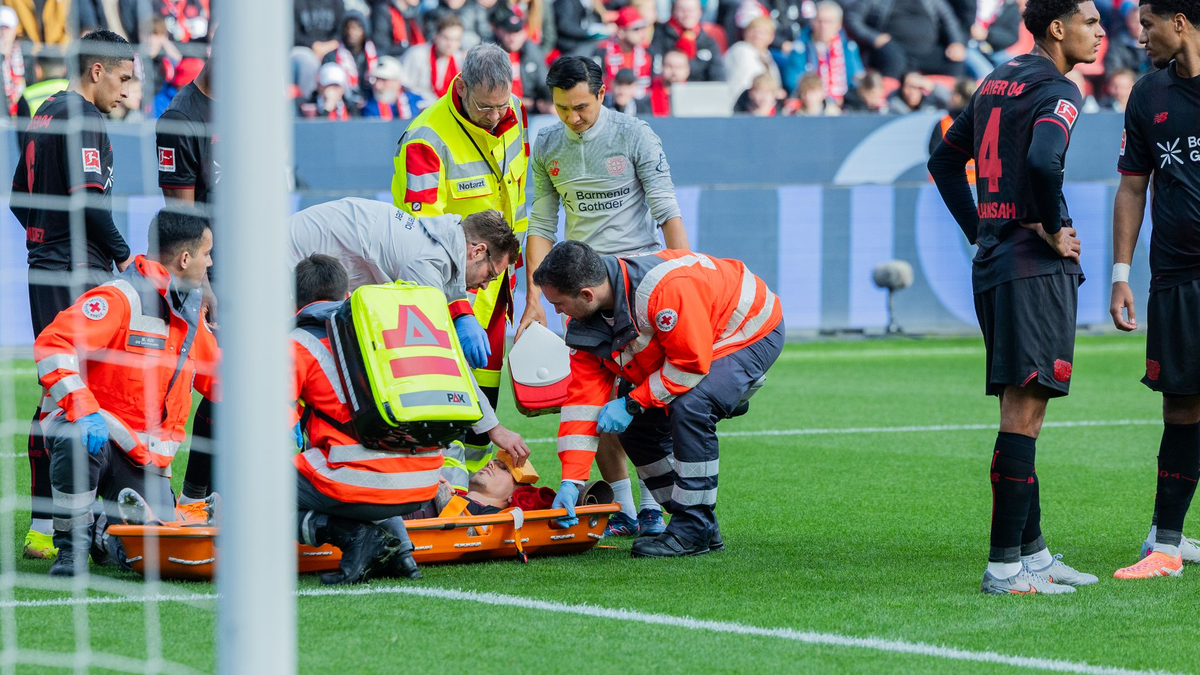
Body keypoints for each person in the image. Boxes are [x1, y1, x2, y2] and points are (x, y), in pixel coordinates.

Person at [927, 0, 1105, 594]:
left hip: (996, 264)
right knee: (1022, 415)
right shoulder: (1059, 90)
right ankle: (1005, 565)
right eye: (1090, 22)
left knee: (1023, 407)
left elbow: (943, 161)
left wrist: (981, 228)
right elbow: (1042, 158)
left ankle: (1033, 553)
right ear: (1058, 28)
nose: (1101, 32)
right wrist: (1050, 223)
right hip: (1033, 271)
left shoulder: (995, 80)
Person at [523, 56, 688, 536]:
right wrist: (535, 298)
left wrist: (685, 274)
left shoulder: (635, 135)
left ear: (601, 93)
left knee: (644, 403)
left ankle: (657, 505)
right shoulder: (548, 144)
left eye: (580, 107)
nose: (572, 117)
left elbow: (666, 209)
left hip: (638, 286)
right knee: (592, 402)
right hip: (581, 293)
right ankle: (626, 510)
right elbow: (540, 224)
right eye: (561, 108)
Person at [534, 241, 783, 557]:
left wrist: (632, 402)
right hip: (691, 342)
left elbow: (689, 365)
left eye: (559, 303)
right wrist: (572, 480)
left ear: (587, 295)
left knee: (691, 404)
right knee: (635, 427)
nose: (557, 312)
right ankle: (698, 525)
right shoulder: (583, 316)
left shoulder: (662, 292)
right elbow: (582, 402)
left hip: (747, 328)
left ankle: (692, 529)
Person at [288, 199, 530, 488]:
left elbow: (450, 280)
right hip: (284, 273)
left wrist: (462, 312)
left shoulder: (441, 238)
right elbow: (444, 361)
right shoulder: (423, 263)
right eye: (490, 274)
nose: (485, 285)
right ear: (477, 250)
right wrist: (494, 428)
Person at [34, 208, 219, 576]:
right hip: (92, 433)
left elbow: (221, 377)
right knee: (75, 437)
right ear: (185, 259)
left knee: (157, 548)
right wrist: (83, 408)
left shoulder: (189, 312)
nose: (210, 262)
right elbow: (53, 344)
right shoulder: (119, 298)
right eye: (206, 254)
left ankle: (103, 530)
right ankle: (73, 549)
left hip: (143, 457)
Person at [13, 30, 135, 561]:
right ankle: (77, 527)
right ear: (96, 71)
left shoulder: (45, 113)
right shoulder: (86, 119)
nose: (127, 90)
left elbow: (19, 198)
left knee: (54, 395)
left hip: (47, 268)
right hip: (75, 273)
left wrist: (45, 239)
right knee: (82, 399)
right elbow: (90, 205)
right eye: (123, 77)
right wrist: (125, 258)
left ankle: (46, 527)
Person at [392, 43, 530, 480]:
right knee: (449, 398)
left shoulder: (516, 113)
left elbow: (517, 196)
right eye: (484, 106)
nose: (495, 116)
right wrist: (457, 308)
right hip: (451, 294)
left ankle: (474, 487)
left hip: (498, 282)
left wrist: (516, 271)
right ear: (462, 86)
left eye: (501, 105)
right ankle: (439, 489)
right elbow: (423, 241)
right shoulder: (426, 140)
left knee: (485, 395)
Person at [1108, 0, 1200, 580]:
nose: (1140, 37)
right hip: (1176, 275)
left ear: (1181, 23)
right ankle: (1166, 544)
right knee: (1181, 405)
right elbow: (1132, 187)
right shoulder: (1148, 94)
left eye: (1148, 25)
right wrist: (1122, 274)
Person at [290, 254, 429, 585]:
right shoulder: (379, 331)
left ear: (293, 300)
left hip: (364, 483)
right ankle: (402, 553)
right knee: (372, 455)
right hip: (424, 477)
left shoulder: (296, 344)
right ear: (347, 295)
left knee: (256, 487)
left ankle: (354, 536)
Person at [156, 55, 219, 506]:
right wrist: (204, 283)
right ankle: (193, 490)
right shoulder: (181, 118)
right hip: (209, 270)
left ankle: (203, 489)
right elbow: (181, 215)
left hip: (249, 265)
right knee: (213, 380)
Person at [845, 0, 968, 79]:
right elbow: (852, 18)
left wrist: (956, 43)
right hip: (895, 50)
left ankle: (956, 107)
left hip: (927, 52)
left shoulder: (932, 2)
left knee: (955, 63)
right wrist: (873, 37)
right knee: (894, 62)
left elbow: (949, 21)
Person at [789, 1, 864, 102]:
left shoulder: (848, 47)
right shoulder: (801, 47)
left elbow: (856, 77)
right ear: (812, 22)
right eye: (819, 21)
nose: (823, 26)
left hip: (844, 103)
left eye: (829, 22)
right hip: (811, 103)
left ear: (838, 25)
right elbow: (792, 80)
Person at [492, 8, 553, 115]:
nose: (513, 38)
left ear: (524, 33)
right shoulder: (492, 54)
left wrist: (548, 102)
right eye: (509, 32)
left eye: (516, 32)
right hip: (501, 110)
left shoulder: (532, 51)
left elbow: (544, 83)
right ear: (500, 32)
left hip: (531, 108)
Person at [651, 0, 727, 81]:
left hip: (698, 90)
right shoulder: (661, 34)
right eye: (682, 10)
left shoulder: (708, 42)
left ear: (700, 12)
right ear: (673, 11)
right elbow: (655, 67)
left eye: (691, 10)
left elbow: (718, 76)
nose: (687, 15)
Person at [400, 13, 465, 105]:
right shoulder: (417, 55)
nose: (450, 44)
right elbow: (404, 87)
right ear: (436, 36)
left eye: (456, 40)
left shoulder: (459, 59)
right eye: (446, 38)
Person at [596, 6, 653, 96]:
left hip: (639, 105)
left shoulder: (648, 53)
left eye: (642, 28)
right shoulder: (603, 51)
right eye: (636, 29)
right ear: (621, 32)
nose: (641, 33)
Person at [724, 16, 782, 97]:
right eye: (753, 30)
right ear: (745, 33)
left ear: (771, 37)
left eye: (763, 32)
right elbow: (740, 86)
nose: (757, 35)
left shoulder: (766, 55)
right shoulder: (741, 50)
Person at [361, 55, 425, 119]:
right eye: (376, 79)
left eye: (384, 80)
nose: (378, 86)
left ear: (397, 81)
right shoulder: (367, 105)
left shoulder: (415, 101)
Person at [647, 48, 691, 115]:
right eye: (669, 66)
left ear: (687, 70)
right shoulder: (648, 90)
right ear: (662, 67)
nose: (674, 72)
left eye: (679, 67)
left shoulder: (693, 94)